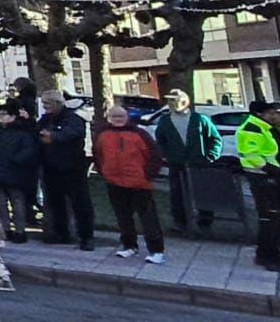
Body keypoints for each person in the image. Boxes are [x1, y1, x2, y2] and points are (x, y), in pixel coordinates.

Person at [95, 100, 166, 263]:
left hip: (139, 183)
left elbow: (155, 155)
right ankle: (129, 246)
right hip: (114, 182)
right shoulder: (102, 135)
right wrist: (105, 172)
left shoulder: (140, 134)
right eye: (114, 116)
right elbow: (98, 155)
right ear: (108, 117)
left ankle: (156, 250)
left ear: (127, 117)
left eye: (121, 116)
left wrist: (147, 175)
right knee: (123, 216)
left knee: (148, 217)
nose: (118, 119)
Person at [239, 98, 280, 272]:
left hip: (271, 178)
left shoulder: (265, 128)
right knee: (271, 218)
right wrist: (279, 173)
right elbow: (253, 157)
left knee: (272, 218)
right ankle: (271, 257)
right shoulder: (252, 129)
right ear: (260, 114)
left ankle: (265, 253)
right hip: (263, 179)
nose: (274, 115)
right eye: (270, 112)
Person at [154, 88, 222, 230]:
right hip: (176, 164)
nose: (172, 103)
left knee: (202, 192)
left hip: (199, 163)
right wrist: (168, 155)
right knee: (177, 193)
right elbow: (160, 141)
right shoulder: (165, 121)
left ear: (185, 102)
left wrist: (210, 156)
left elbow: (215, 139)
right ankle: (181, 223)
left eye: (176, 100)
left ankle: (205, 222)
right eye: (170, 101)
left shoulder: (200, 119)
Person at [36, 90, 94, 250]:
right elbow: (37, 133)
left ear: (56, 103)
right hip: (51, 167)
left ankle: (86, 237)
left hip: (72, 167)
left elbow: (73, 133)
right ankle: (62, 233)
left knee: (80, 204)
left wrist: (53, 137)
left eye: (47, 104)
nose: (44, 107)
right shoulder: (46, 119)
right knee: (56, 203)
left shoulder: (73, 118)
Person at [0, 106, 39, 243]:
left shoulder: (22, 133)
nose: (0, 116)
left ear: (13, 116)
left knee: (17, 203)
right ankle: (5, 229)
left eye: (4, 114)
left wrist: (15, 160)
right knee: (1, 204)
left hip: (14, 173)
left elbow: (29, 152)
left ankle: (19, 230)